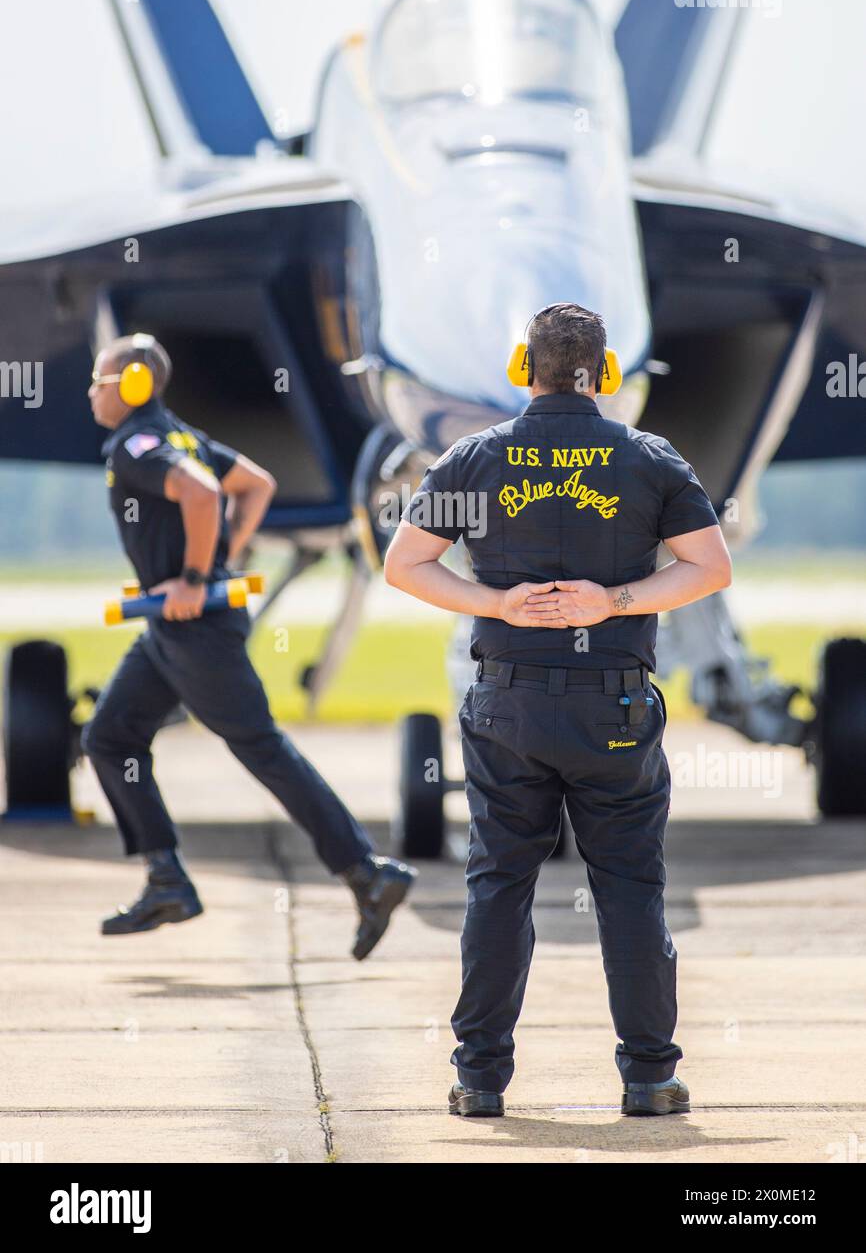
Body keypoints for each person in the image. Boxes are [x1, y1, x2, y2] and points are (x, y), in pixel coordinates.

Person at [384, 302, 732, 1118]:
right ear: (605, 374)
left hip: (507, 709)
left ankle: (479, 1080)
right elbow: (708, 568)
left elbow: (406, 566)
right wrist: (612, 601)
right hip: (614, 712)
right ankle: (649, 1078)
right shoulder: (648, 459)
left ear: (521, 368)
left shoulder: (474, 460)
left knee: (498, 885)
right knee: (631, 891)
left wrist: (497, 605)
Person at [83, 332, 415, 957]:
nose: (92, 396)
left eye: (99, 382)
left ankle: (367, 874)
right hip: (175, 628)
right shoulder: (181, 435)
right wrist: (220, 562)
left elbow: (206, 494)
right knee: (110, 737)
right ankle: (166, 878)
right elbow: (256, 485)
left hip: (193, 627)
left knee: (262, 748)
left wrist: (193, 577)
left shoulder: (135, 444)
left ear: (129, 388)